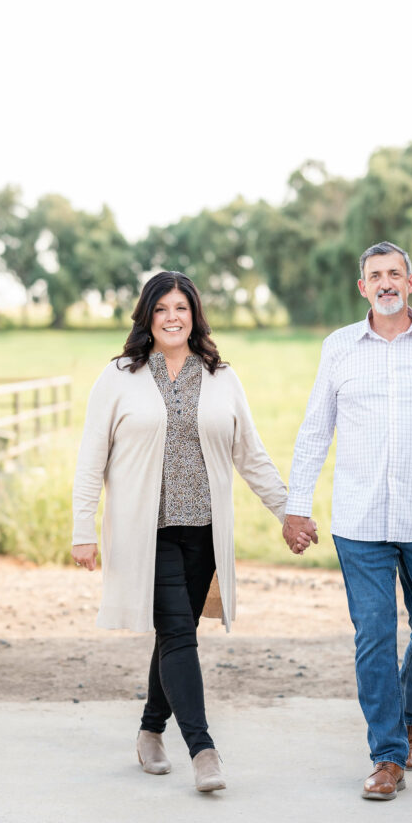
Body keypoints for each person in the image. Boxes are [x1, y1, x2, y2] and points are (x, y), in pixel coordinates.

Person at [71, 271, 314, 794]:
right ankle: (203, 751)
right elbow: (91, 459)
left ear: (195, 315)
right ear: (148, 317)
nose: (172, 317)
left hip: (204, 530)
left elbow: (250, 454)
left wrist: (288, 512)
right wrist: (81, 529)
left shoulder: (221, 376)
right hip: (145, 531)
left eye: (181, 307)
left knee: (176, 634)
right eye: (162, 309)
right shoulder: (119, 376)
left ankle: (149, 730)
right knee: (180, 632)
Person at [282, 242, 412, 801]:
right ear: (363, 288)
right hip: (360, 519)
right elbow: (314, 431)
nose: (385, 282)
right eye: (375, 275)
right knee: (374, 635)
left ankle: (409, 713)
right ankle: (387, 756)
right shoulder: (339, 349)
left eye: (394, 273)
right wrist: (295, 505)